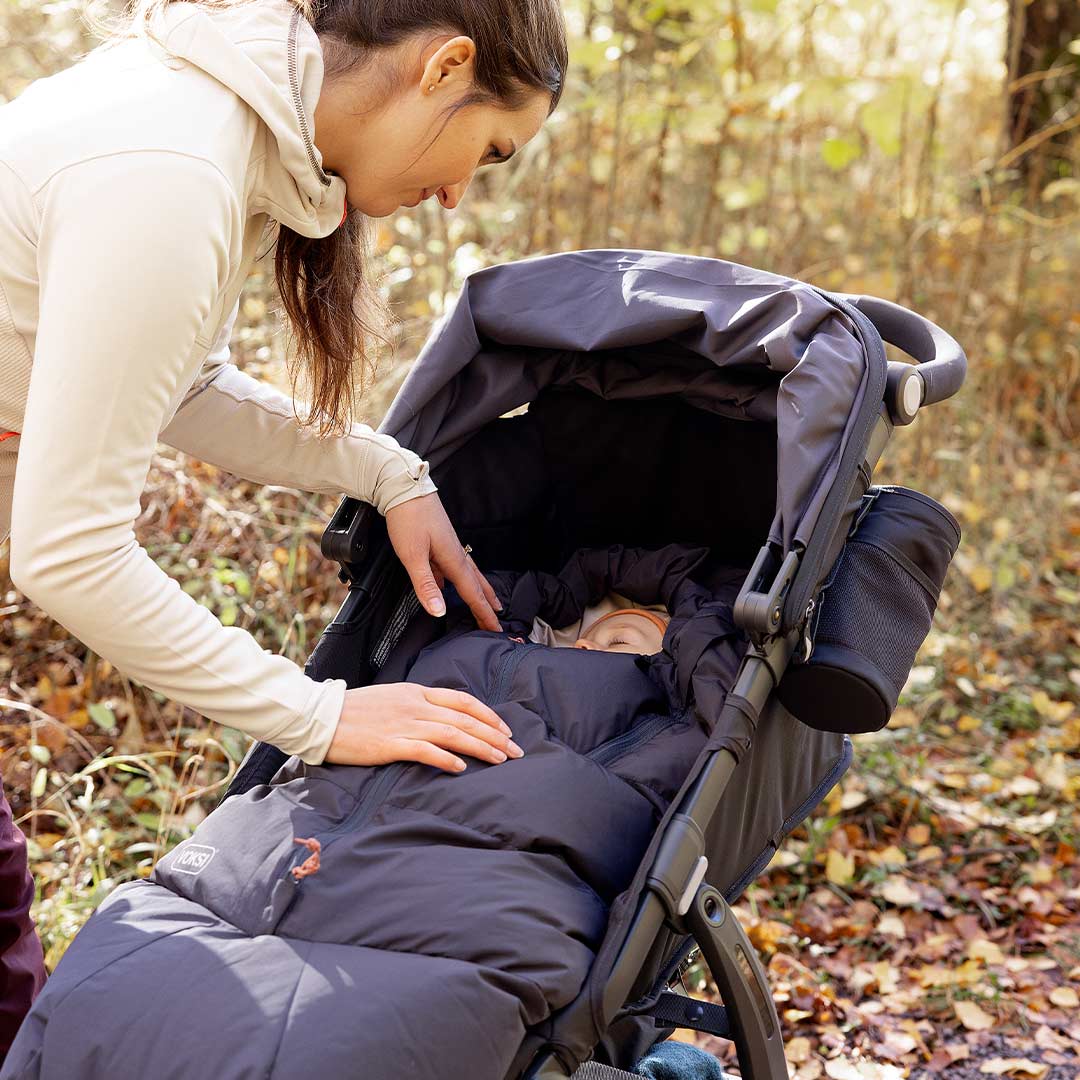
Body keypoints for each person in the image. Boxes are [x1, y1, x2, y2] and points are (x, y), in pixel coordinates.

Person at [0, 0, 566, 1053]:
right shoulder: (170, 171)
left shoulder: (214, 129)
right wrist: (319, 716)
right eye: (489, 152)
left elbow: (180, 386)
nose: (456, 195)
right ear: (444, 66)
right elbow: (70, 552)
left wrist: (389, 471)